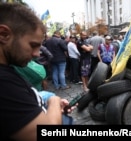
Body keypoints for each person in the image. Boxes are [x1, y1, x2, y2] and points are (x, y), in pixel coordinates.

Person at [0, 3, 75, 140]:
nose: (36, 54)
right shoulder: (3, 82)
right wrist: (54, 100)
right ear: (4, 34)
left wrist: (47, 99)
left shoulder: (9, 70)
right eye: (33, 45)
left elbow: (27, 96)